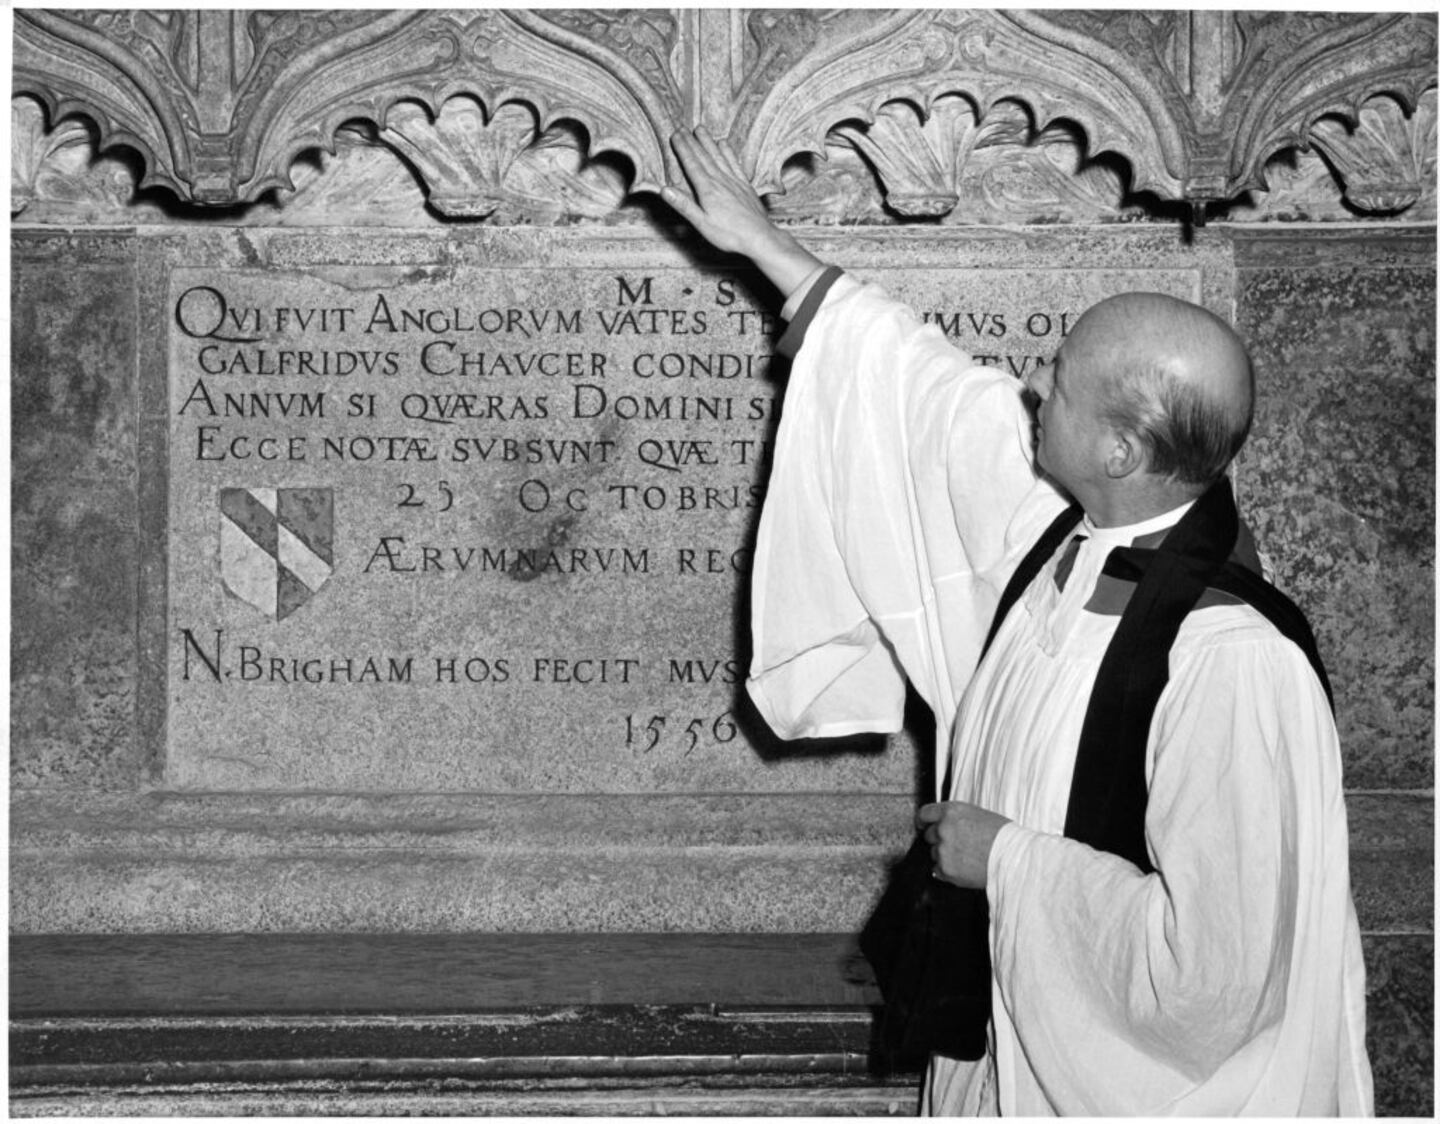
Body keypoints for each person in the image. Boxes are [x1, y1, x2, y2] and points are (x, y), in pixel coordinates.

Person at [660, 127, 1373, 1116]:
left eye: (1061, 381)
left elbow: (1213, 980)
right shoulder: (1061, 533)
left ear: (1121, 452)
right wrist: (761, 243)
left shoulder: (1231, 663)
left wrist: (1005, 860)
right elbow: (918, 388)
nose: (1032, 384)